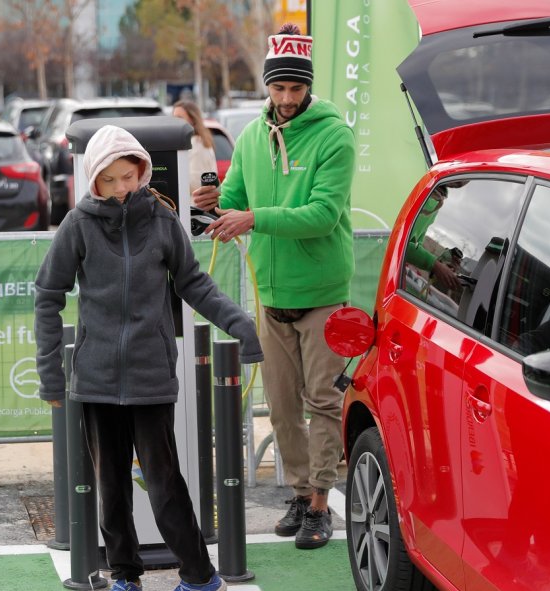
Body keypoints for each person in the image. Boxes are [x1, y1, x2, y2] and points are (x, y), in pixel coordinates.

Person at [34, 124, 263, 591]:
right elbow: (47, 296)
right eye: (110, 178)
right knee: (111, 488)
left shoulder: (162, 220)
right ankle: (125, 577)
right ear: (94, 179)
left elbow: (194, 283)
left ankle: (200, 578)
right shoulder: (77, 224)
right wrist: (51, 376)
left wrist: (238, 323)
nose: (122, 187)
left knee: (164, 484)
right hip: (95, 379)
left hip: (150, 375)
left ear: (142, 171)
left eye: (129, 176)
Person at [191, 23, 355, 550]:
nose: (287, 98)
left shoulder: (335, 136)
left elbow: (323, 216)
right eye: (278, 88)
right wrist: (211, 201)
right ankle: (302, 492)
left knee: (323, 404)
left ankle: (321, 504)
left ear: (308, 87)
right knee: (282, 406)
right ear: (267, 86)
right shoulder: (254, 136)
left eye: (296, 88)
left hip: (323, 292)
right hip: (271, 293)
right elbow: (235, 191)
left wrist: (252, 218)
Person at [172, 100, 218, 193]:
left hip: (195, 204)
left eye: (179, 118)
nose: (175, 122)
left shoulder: (197, 144)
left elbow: (195, 182)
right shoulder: (196, 141)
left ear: (193, 120)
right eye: (174, 118)